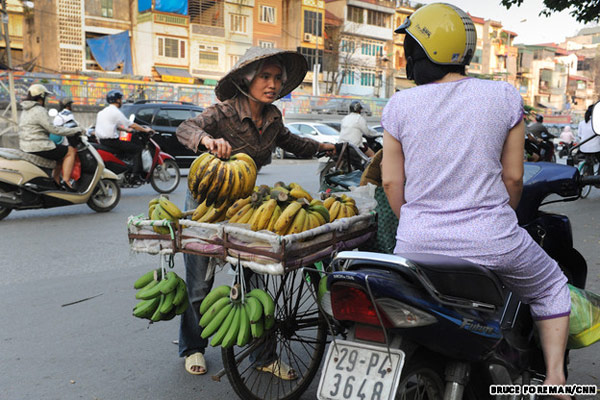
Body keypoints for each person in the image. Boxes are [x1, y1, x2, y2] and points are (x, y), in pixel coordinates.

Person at [381, 3, 570, 396]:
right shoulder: (502, 96)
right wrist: (497, 218)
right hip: (491, 242)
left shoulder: (398, 105)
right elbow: (514, 178)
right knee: (551, 284)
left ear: (423, 52)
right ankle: (554, 379)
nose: (407, 55)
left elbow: (390, 185)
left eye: (410, 46)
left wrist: (418, 222)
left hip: (415, 245)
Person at [175, 47, 336, 377]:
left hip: (247, 205)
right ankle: (193, 346)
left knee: (259, 282)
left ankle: (262, 356)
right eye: (265, 76)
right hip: (208, 201)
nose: (273, 83)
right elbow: (186, 128)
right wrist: (207, 141)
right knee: (199, 284)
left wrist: (323, 146)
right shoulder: (223, 112)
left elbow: (291, 142)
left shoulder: (274, 118)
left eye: (277, 78)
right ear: (246, 79)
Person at [18, 84, 83, 190]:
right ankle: (66, 181)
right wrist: (76, 130)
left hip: (25, 145)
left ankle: (56, 181)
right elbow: (54, 130)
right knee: (70, 151)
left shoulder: (25, 110)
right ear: (41, 97)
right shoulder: (39, 110)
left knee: (59, 153)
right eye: (45, 97)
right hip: (39, 146)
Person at [94, 90, 152, 177]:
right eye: (120, 99)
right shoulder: (116, 112)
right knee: (137, 149)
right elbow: (131, 124)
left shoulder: (102, 112)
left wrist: (125, 130)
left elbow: (112, 125)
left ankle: (126, 169)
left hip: (102, 141)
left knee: (126, 148)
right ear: (117, 100)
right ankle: (135, 174)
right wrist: (145, 130)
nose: (122, 101)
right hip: (112, 142)